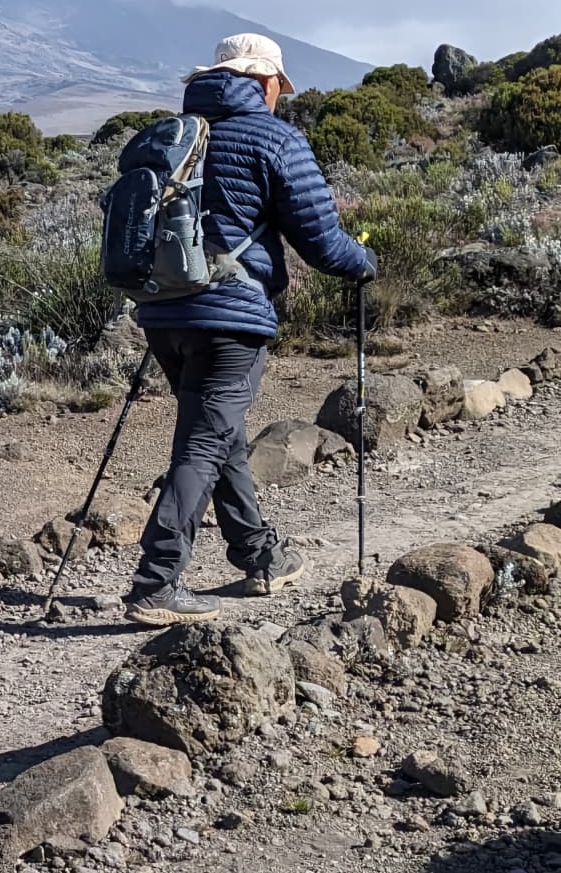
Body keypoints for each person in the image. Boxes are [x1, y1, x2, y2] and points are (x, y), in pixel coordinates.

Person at [123, 35, 377, 626]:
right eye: (278, 88)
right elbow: (319, 237)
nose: (279, 99)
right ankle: (156, 582)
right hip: (230, 316)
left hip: (163, 313)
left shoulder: (177, 134)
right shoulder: (273, 137)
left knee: (222, 433)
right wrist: (362, 263)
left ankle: (260, 555)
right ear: (264, 83)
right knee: (206, 441)